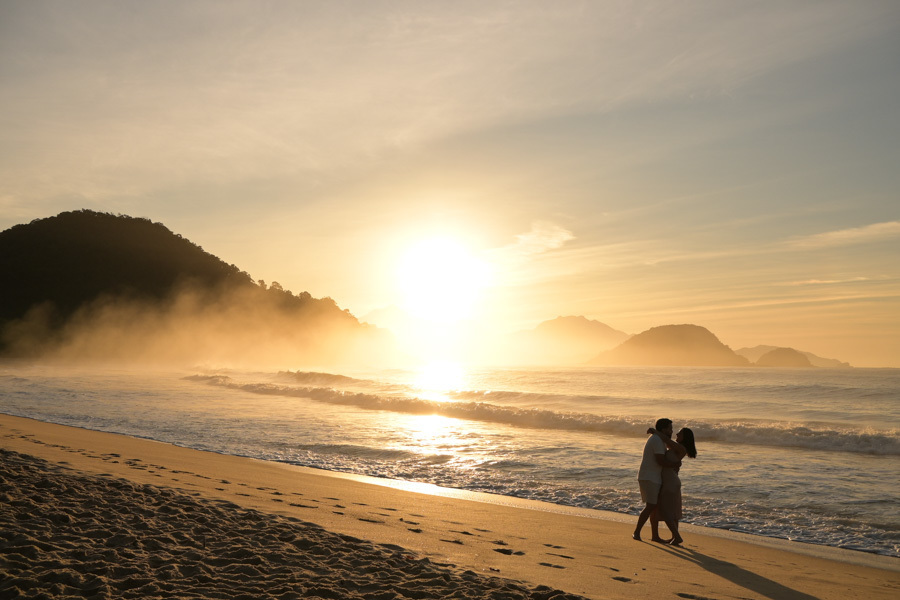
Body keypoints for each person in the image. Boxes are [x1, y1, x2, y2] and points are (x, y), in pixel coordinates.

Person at [632, 418, 681, 541]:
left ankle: (655, 536)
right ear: (663, 429)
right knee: (651, 506)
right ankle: (637, 532)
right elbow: (660, 460)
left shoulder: (659, 439)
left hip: (653, 477)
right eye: (670, 428)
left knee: (654, 507)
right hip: (649, 477)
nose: (672, 431)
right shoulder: (657, 440)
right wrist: (674, 464)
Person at [649, 427, 697, 546]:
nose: (676, 433)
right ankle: (674, 538)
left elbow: (666, 440)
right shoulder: (677, 448)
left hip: (670, 482)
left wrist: (655, 431)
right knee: (673, 511)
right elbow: (666, 443)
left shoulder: (680, 448)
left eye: (679, 433)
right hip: (671, 481)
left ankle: (677, 537)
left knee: (666, 511)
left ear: (684, 437)